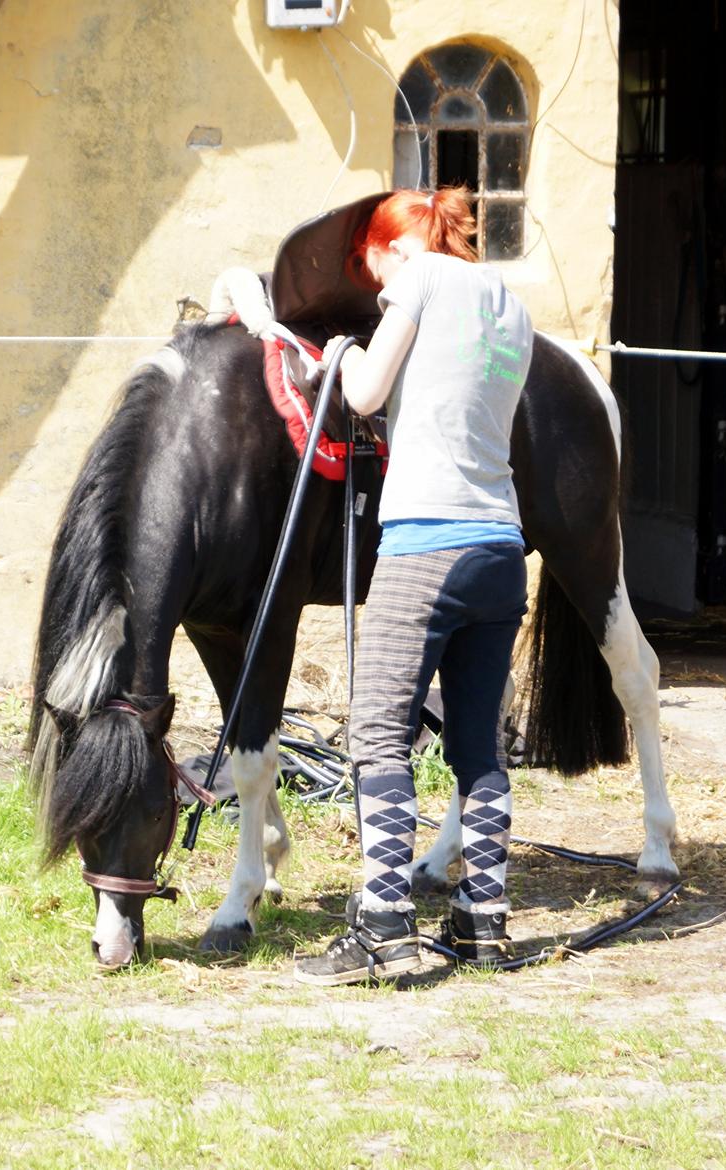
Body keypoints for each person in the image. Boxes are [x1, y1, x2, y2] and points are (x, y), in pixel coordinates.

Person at [294, 187, 533, 986]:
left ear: (395, 249)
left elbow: (363, 395)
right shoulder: (512, 307)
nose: (371, 282)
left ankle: (384, 925)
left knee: (376, 734)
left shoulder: (421, 278)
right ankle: (483, 923)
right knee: (477, 747)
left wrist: (337, 354)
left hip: (427, 541)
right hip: (501, 548)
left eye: (368, 265)